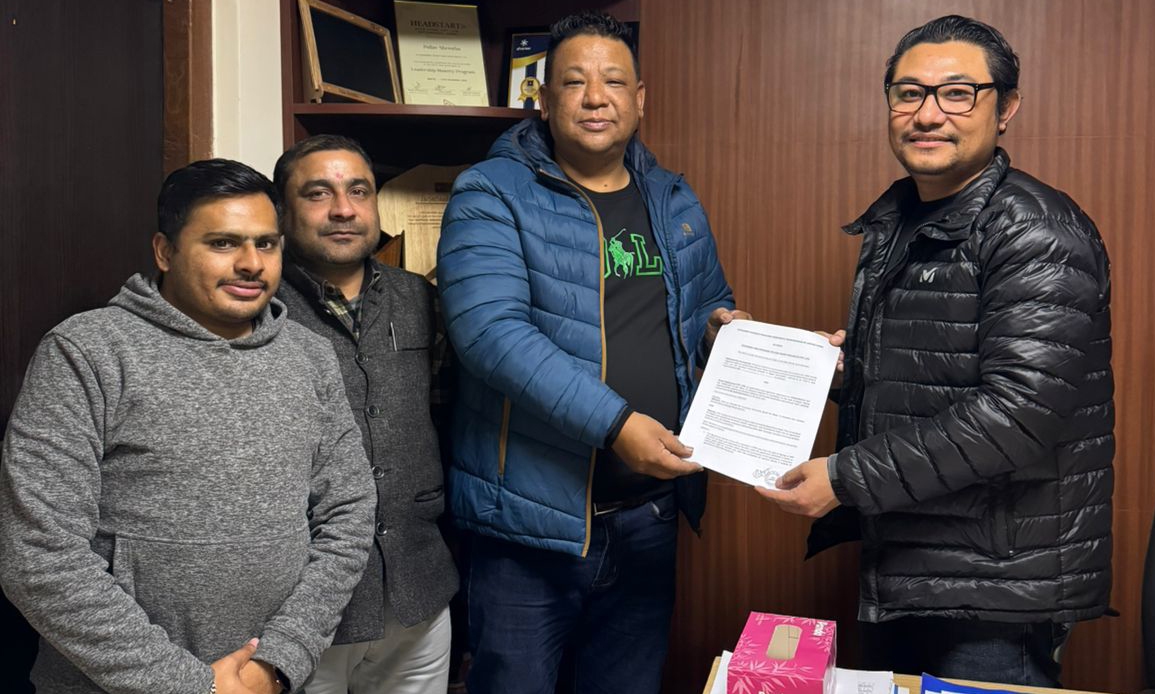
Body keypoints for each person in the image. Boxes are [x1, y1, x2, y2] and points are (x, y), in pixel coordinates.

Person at [758, 15, 1114, 687]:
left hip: (995, 590)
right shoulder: (904, 219)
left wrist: (843, 479)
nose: (927, 114)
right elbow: (934, 378)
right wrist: (822, 369)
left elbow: (1019, 415)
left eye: (957, 93)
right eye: (908, 93)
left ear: (1006, 108)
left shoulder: (1034, 229)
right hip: (911, 564)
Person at [437, 10, 744, 694]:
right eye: (574, 82)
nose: (595, 97)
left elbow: (706, 307)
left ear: (641, 98)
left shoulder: (672, 198)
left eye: (614, 81)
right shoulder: (490, 193)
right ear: (544, 101)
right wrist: (617, 424)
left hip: (648, 517)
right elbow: (491, 334)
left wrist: (729, 332)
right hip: (527, 531)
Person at [0, 159, 376, 694]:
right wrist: (193, 686)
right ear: (164, 251)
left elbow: (349, 512)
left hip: (268, 680)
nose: (251, 264)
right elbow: (38, 555)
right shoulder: (87, 351)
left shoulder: (310, 356)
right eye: (223, 243)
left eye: (266, 244)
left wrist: (279, 660)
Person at [272, 135, 459, 694]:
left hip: (417, 588)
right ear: (282, 211)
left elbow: (446, 417)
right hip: (300, 605)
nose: (343, 209)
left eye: (359, 191)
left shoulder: (419, 297)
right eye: (317, 194)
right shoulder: (258, 306)